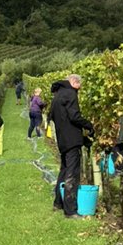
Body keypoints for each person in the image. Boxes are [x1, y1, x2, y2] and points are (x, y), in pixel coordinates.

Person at [48, 74, 94, 219]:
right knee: (72, 174)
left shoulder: (57, 95)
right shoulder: (70, 93)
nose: (78, 91)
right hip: (72, 141)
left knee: (64, 171)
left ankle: (58, 203)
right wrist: (89, 125)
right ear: (74, 82)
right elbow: (74, 117)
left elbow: (57, 118)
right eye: (79, 87)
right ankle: (71, 210)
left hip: (62, 140)